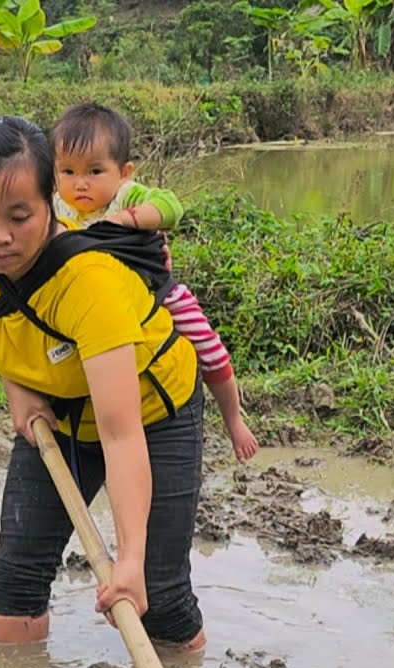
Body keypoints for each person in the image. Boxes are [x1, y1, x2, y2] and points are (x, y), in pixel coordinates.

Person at [0, 115, 208, 653]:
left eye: (20, 216)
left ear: (50, 204)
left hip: (152, 416)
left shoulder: (89, 284)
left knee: (160, 596)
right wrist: (18, 388)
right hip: (60, 414)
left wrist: (129, 561)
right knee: (16, 578)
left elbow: (121, 433)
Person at [49, 102, 259, 463]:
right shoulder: (56, 208)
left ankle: (234, 420)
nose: (80, 183)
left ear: (123, 172)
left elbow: (171, 206)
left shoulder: (125, 196)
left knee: (209, 349)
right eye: (68, 171)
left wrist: (129, 220)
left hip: (155, 291)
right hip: (93, 306)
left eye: (95, 171)